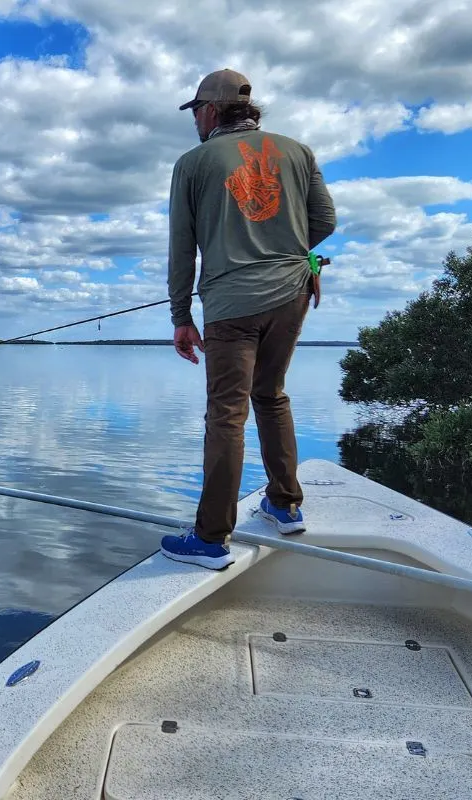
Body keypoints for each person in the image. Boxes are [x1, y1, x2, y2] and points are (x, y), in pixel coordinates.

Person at [159, 68, 337, 571]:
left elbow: (182, 247)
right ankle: (285, 503)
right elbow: (324, 220)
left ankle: (211, 539)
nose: (194, 119)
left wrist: (180, 314)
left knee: (226, 413)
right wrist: (291, 258)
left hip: (231, 308)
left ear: (211, 111)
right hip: (291, 296)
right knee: (271, 394)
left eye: (195, 110)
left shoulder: (192, 163)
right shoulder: (298, 151)